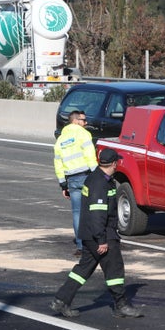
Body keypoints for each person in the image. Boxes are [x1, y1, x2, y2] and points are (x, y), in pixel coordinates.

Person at [50, 148, 143, 319]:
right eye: (117, 162)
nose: (118, 165)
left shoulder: (96, 178)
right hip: (101, 234)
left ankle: (61, 299)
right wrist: (102, 240)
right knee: (114, 268)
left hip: (88, 233)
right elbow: (97, 214)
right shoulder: (100, 183)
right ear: (114, 163)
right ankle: (121, 305)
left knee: (84, 269)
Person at [54, 110, 97, 257]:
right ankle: (96, 242)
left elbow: (58, 164)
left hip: (71, 180)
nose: (86, 123)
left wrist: (63, 185)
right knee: (95, 209)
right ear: (75, 121)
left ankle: (81, 246)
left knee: (77, 213)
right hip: (86, 176)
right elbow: (90, 156)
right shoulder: (83, 134)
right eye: (83, 120)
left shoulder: (60, 139)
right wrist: (98, 176)